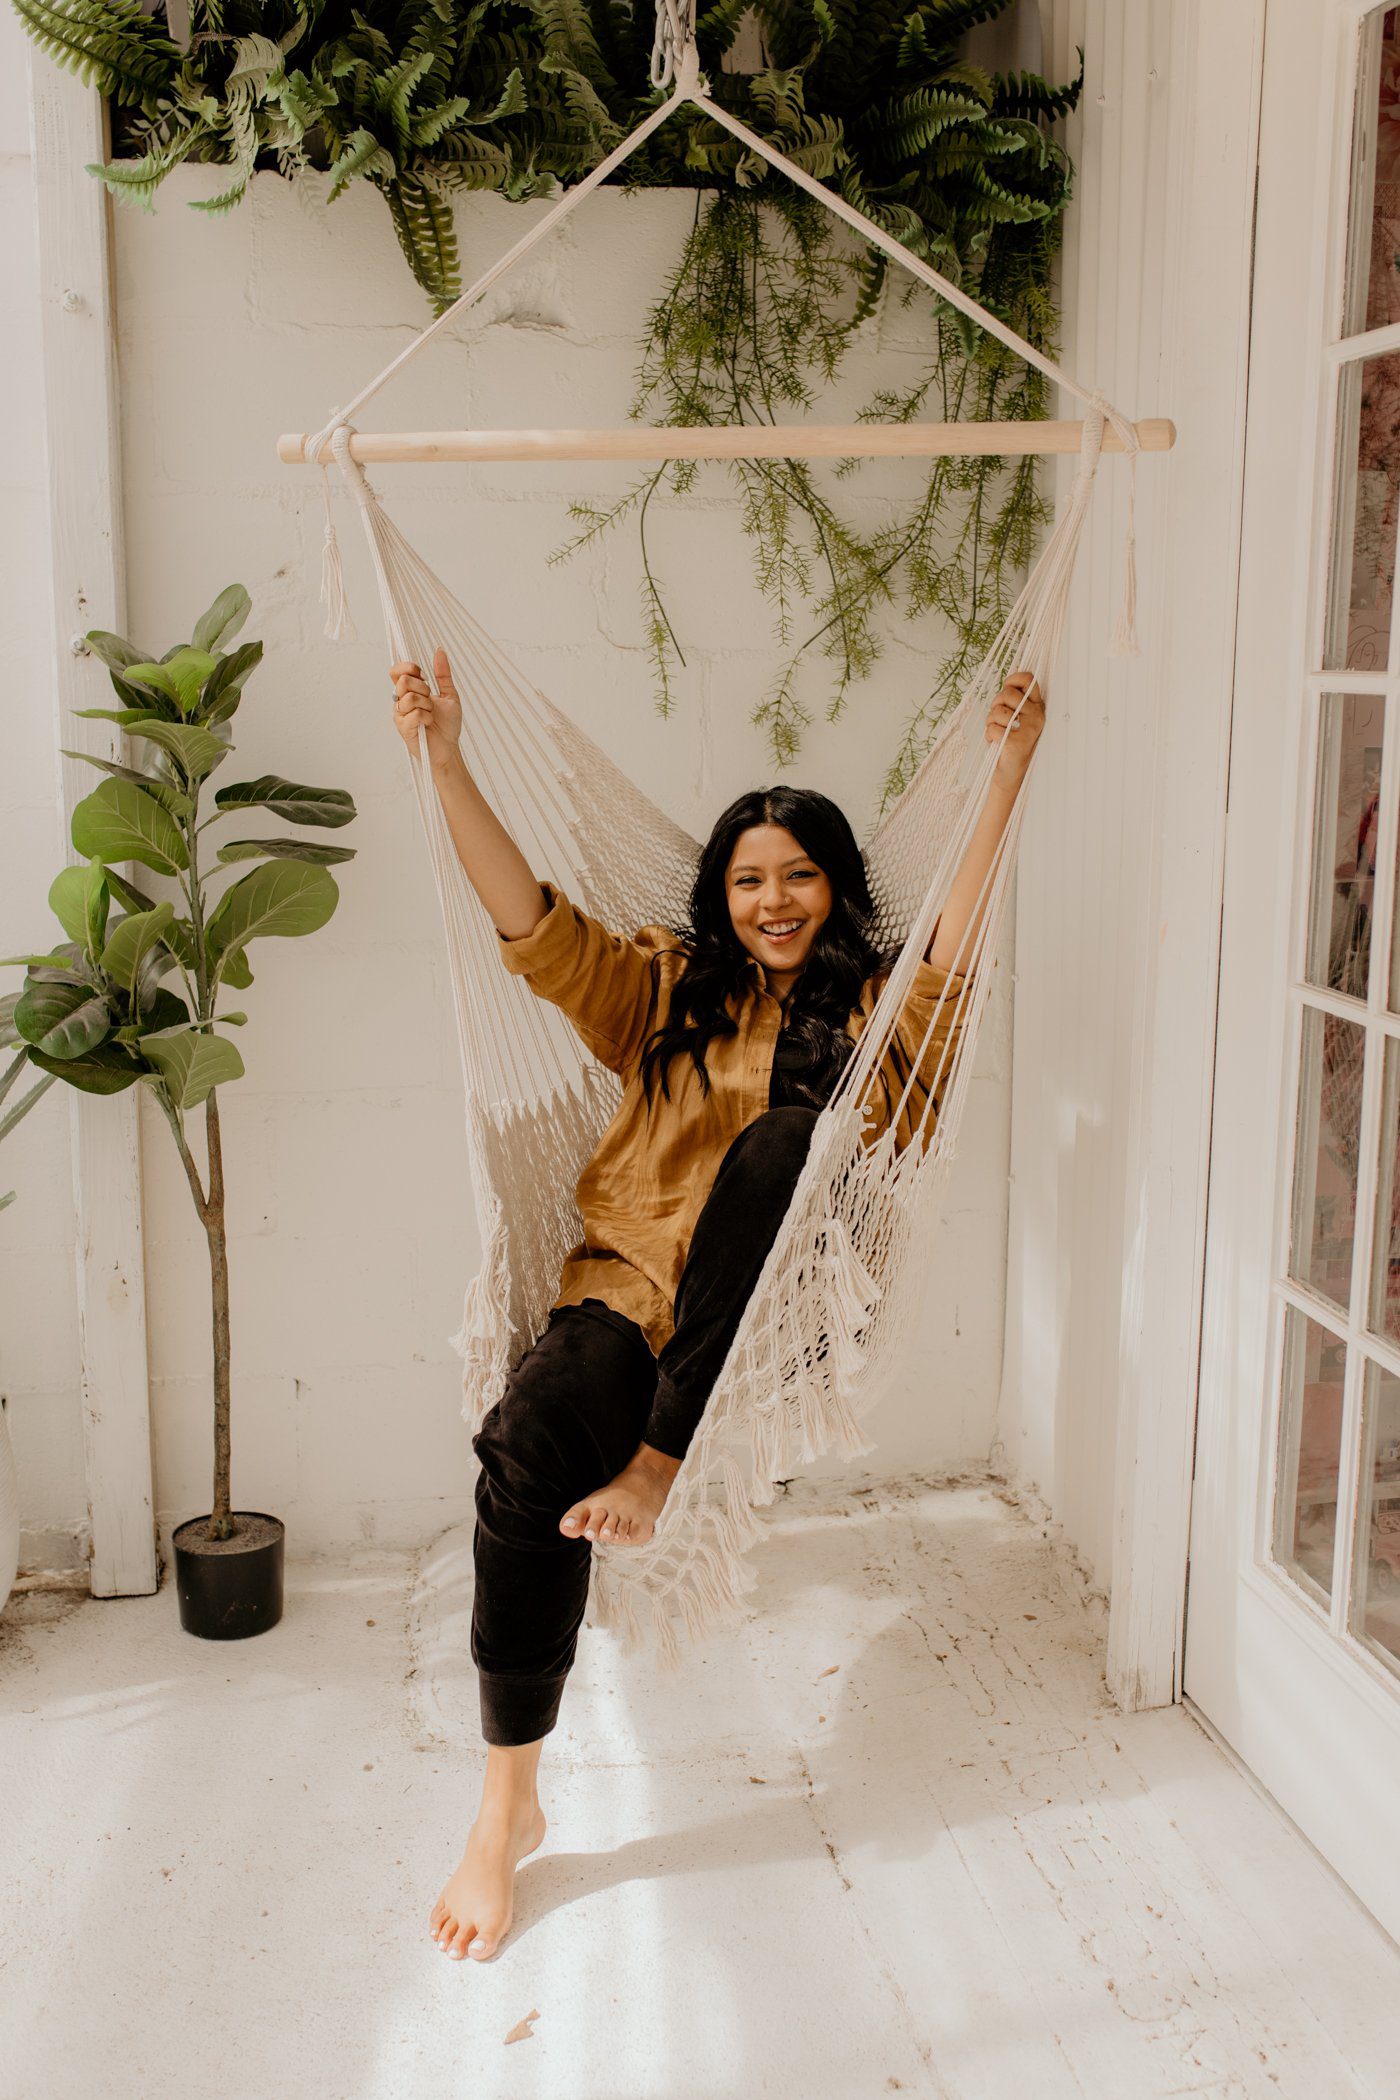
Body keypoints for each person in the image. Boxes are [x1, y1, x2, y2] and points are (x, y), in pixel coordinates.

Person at [387, 646, 1045, 1962]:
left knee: (790, 1146)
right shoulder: (663, 991)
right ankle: (506, 1803)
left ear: (836, 888)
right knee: (522, 1451)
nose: (774, 898)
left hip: (763, 1330)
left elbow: (954, 960)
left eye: (799, 873)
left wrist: (1005, 778)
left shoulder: (872, 1016)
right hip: (622, 1303)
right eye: (749, 879)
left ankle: (662, 1460)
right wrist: (446, 761)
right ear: (722, 899)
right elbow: (530, 924)